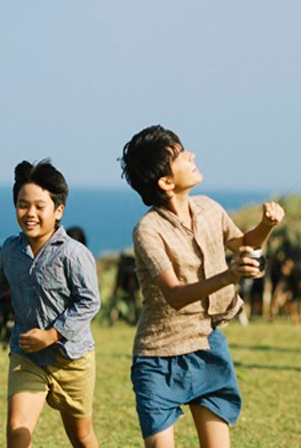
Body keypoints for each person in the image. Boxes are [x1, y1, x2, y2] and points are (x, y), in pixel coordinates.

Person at [119, 125, 285, 448]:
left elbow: (243, 243)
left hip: (207, 346)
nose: (192, 155)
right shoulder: (148, 231)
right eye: (181, 155)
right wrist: (229, 276)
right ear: (166, 183)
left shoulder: (209, 209)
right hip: (158, 357)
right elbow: (174, 294)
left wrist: (266, 226)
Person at [0, 159, 100, 448]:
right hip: (27, 356)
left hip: (71, 359)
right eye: (22, 205)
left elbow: (89, 301)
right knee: (17, 430)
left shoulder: (73, 254)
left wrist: (52, 334)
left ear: (58, 211)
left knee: (81, 436)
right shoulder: (11, 249)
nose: (30, 213)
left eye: (39, 206)